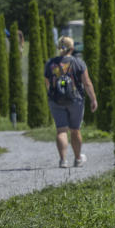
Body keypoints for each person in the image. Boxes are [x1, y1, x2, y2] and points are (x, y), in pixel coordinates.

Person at [44, 35, 97, 168]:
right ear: (72, 48)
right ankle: (78, 159)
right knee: (75, 130)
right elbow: (87, 83)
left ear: (59, 48)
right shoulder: (78, 63)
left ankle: (63, 160)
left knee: (61, 130)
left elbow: (47, 83)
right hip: (75, 100)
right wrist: (93, 99)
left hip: (56, 100)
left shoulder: (50, 63)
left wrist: (53, 96)